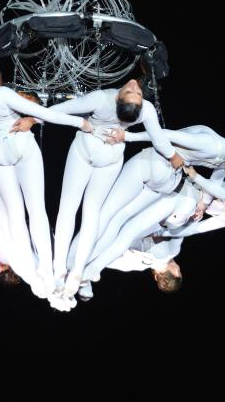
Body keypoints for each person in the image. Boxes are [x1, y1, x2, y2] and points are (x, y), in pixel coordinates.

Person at [0, 79, 93, 297]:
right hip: (17, 143)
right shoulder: (0, 95)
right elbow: (46, 114)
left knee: (16, 216)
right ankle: (45, 271)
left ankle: (39, 276)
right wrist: (82, 123)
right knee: (35, 210)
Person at [48, 79, 185, 297]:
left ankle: (61, 270)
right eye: (136, 92)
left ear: (119, 99)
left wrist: (36, 118)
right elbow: (158, 139)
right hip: (111, 156)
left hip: (88, 150)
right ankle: (76, 270)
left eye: (133, 91)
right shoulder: (145, 109)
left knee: (70, 209)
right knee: (92, 214)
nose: (134, 85)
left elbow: (59, 110)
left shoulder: (102, 98)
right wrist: (172, 155)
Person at [81, 166, 225, 286]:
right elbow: (195, 229)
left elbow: (214, 187)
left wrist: (211, 168)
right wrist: (170, 228)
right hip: (174, 210)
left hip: (183, 194)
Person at [107, 123, 225, 181]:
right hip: (170, 177)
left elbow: (165, 134)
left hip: (156, 161)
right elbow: (215, 184)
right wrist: (203, 203)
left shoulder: (212, 144)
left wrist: (127, 136)